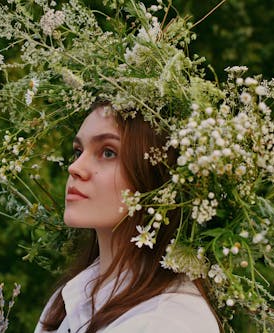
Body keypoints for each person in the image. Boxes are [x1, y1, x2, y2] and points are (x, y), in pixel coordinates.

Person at [34, 102, 221, 333]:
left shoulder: (168, 322)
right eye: (78, 152)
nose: (75, 167)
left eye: (108, 152)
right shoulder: (67, 300)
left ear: (156, 179)